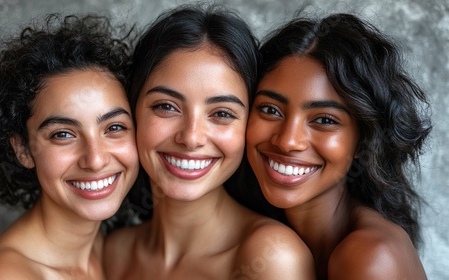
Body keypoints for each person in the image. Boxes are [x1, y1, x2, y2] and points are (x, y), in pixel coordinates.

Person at [103, 4, 315, 280]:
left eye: (222, 113)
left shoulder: (271, 257)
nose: (191, 138)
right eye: (166, 107)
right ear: (132, 109)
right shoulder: (114, 252)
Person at [246, 13, 431, 279]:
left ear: (363, 141)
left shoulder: (369, 256)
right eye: (270, 110)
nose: (288, 141)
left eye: (324, 120)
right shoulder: (264, 235)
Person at [0, 13, 139, 279]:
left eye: (114, 128)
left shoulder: (117, 250)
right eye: (63, 134)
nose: (95, 159)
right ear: (23, 149)